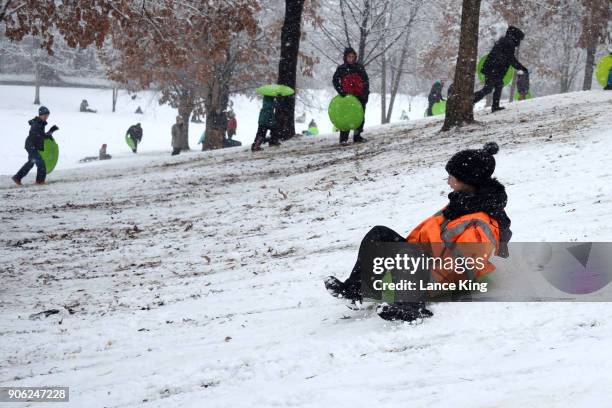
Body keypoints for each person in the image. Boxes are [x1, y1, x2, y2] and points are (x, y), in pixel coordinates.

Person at [324, 142, 511, 322]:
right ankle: (356, 293)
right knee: (380, 234)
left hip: (442, 274)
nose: (448, 181)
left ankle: (411, 307)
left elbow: (464, 266)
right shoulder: (462, 203)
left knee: (408, 253)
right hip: (425, 260)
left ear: (468, 181)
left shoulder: (480, 220)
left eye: (452, 177)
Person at [474, 26, 528, 112]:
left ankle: (495, 106)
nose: (519, 42)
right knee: (488, 89)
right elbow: (511, 59)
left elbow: (508, 58)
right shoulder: (509, 43)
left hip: (493, 69)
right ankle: (471, 100)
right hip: (494, 69)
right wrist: (521, 67)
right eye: (519, 39)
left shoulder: (505, 41)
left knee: (498, 85)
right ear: (516, 37)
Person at [12, 106, 59, 186]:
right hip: (31, 146)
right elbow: (39, 135)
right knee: (41, 163)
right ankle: (40, 181)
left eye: (47, 115)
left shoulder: (39, 123)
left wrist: (50, 132)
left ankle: (17, 177)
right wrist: (50, 132)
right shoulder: (37, 124)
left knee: (31, 162)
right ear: (40, 115)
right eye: (45, 115)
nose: (46, 117)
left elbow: (41, 135)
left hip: (32, 146)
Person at [333, 47, 369, 144]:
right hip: (347, 97)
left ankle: (357, 136)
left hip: (359, 96)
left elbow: (365, 81)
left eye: (353, 57)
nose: (351, 59)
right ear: (345, 57)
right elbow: (335, 81)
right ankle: (343, 139)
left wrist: (365, 95)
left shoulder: (359, 67)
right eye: (349, 57)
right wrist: (341, 92)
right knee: (346, 117)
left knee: (359, 117)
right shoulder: (341, 69)